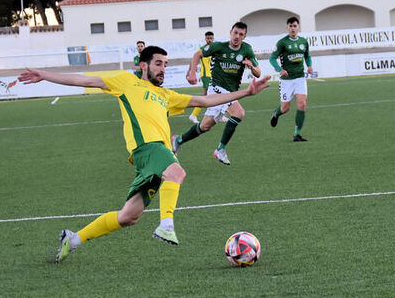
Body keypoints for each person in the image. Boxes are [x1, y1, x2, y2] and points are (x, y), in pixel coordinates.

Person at [16, 46, 270, 262]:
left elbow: (204, 102)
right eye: (158, 63)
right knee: (177, 171)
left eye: (166, 64)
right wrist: (44, 75)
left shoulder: (165, 95)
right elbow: (83, 80)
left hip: (152, 157)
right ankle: (166, 225)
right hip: (147, 150)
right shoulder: (126, 82)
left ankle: (73, 240)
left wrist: (247, 92)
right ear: (143, 65)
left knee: (128, 217)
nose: (163, 68)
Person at [174, 21, 261, 165]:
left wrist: (251, 67)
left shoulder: (247, 50)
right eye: (235, 33)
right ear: (230, 32)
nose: (237, 36)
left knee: (205, 126)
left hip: (230, 92)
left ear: (244, 37)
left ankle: (178, 140)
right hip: (216, 88)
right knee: (239, 113)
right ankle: (220, 150)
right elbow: (197, 55)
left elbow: (258, 73)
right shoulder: (218, 46)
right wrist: (192, 73)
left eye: (240, 34)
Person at [269, 16, 314, 141]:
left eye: (295, 26)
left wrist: (309, 65)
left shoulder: (303, 42)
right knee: (285, 108)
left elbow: (307, 56)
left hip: (300, 78)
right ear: (287, 27)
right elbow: (272, 58)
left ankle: (297, 134)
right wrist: (280, 69)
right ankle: (276, 113)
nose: (293, 28)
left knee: (302, 104)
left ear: (298, 27)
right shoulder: (282, 42)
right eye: (290, 26)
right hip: (286, 80)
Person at [187, 31, 215, 123]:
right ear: (205, 39)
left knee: (217, 94)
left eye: (211, 38)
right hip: (206, 75)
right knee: (206, 96)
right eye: (208, 38)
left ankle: (217, 115)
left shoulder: (216, 49)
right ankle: (193, 114)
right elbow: (194, 60)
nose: (209, 40)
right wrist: (189, 72)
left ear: (213, 39)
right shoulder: (202, 49)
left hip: (214, 75)